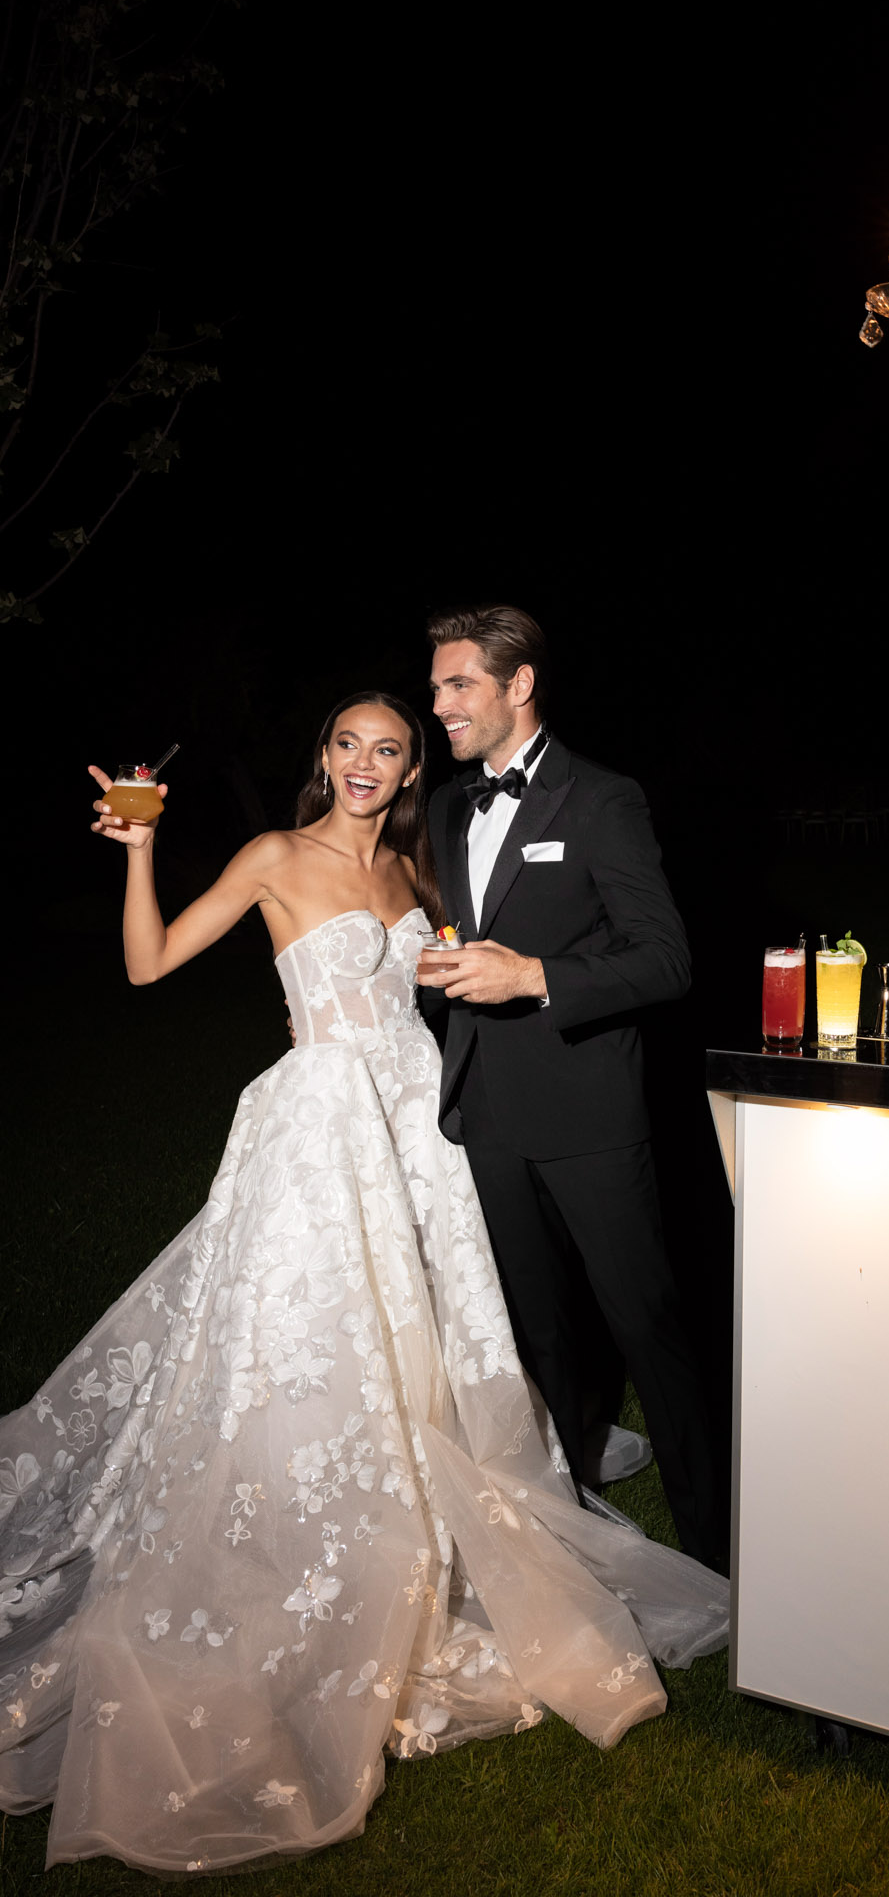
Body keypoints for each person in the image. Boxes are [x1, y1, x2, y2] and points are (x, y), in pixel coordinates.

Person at [0, 692, 726, 1878]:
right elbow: (146, 966)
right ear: (323, 757)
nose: (367, 764)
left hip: (420, 1131)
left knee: (433, 1329)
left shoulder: (415, 870)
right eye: (349, 744)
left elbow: (453, 980)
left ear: (405, 771)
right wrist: (137, 853)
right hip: (321, 1127)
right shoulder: (273, 857)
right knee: (311, 1339)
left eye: (390, 749)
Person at [419, 607, 727, 1575]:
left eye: (457, 684)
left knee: (648, 1328)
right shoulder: (444, 806)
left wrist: (537, 975)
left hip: (592, 1117)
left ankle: (721, 1543)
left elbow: (666, 958)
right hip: (487, 1116)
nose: (440, 706)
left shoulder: (601, 798)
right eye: (434, 688)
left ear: (517, 686)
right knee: (536, 1334)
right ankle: (564, 1535)